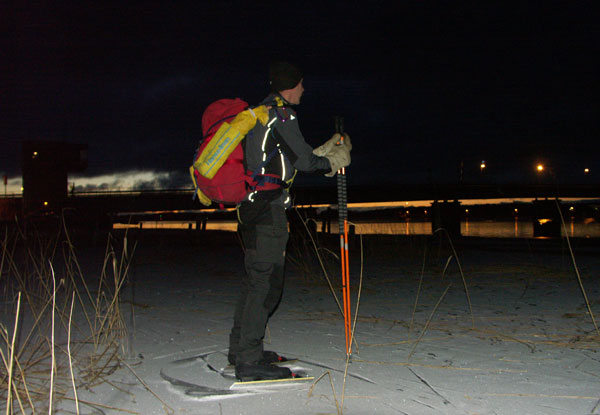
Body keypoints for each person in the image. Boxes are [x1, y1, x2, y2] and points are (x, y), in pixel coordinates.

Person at [228, 61, 352, 381]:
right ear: (288, 86)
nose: (303, 89)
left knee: (256, 280)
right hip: (268, 211)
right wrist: (334, 159)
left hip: (252, 207)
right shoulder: (283, 114)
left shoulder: (259, 114)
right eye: (300, 84)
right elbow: (305, 160)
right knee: (266, 284)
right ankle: (249, 360)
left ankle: (240, 349)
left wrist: (321, 153)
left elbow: (288, 158)